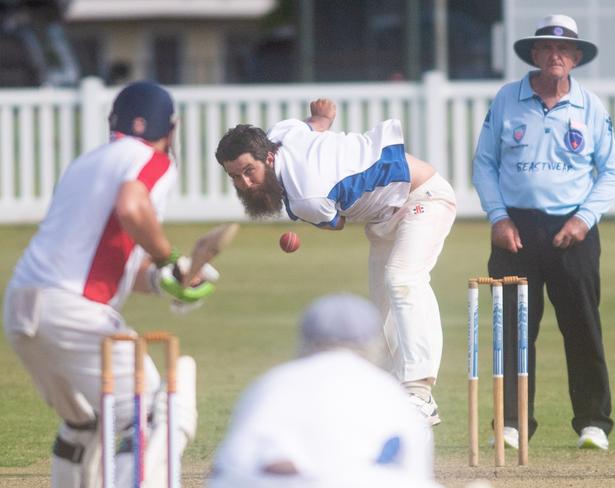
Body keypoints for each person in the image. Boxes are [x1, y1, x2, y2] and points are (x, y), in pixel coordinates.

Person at [3, 81, 214, 487]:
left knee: (85, 419)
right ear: (170, 130)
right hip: (72, 309)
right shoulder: (153, 160)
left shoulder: (86, 163)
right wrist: (170, 257)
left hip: (22, 307)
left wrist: (161, 278)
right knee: (152, 413)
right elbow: (132, 206)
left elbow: (108, 260)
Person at [214, 101, 457, 425]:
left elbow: (336, 222)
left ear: (269, 157)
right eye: (235, 177)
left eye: (249, 171)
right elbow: (313, 124)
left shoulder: (307, 197)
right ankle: (395, 394)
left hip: (424, 197)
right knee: (382, 306)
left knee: (403, 280)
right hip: (385, 217)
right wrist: (323, 116)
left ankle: (420, 393)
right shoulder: (281, 133)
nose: (245, 183)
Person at [472, 14, 615, 451]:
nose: (554, 56)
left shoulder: (591, 106)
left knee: (582, 326)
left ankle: (593, 423)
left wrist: (583, 219)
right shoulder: (507, 99)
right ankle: (513, 423)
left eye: (563, 50)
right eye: (546, 49)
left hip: (572, 229)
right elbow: (485, 163)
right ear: (535, 55)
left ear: (575, 58)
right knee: (513, 331)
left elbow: (610, 172)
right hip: (514, 229)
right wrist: (498, 217)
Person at [206, 293, 440, 488]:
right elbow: (414, 471)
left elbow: (226, 468)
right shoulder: (389, 393)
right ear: (372, 343)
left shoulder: (269, 384)